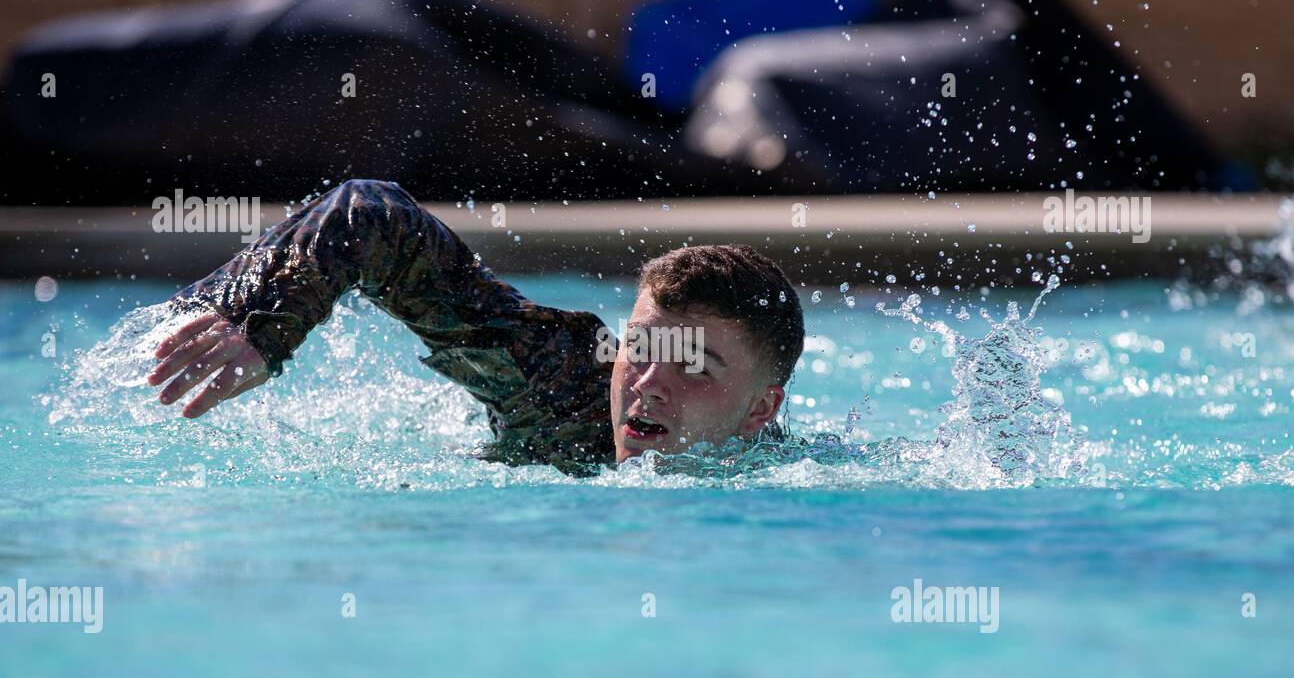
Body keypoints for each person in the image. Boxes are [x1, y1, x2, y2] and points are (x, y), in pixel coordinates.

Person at [148, 179, 805, 473]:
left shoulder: (800, 484)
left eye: (694, 365)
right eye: (640, 348)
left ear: (760, 411)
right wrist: (260, 320)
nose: (649, 384)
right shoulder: (554, 378)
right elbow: (370, 213)